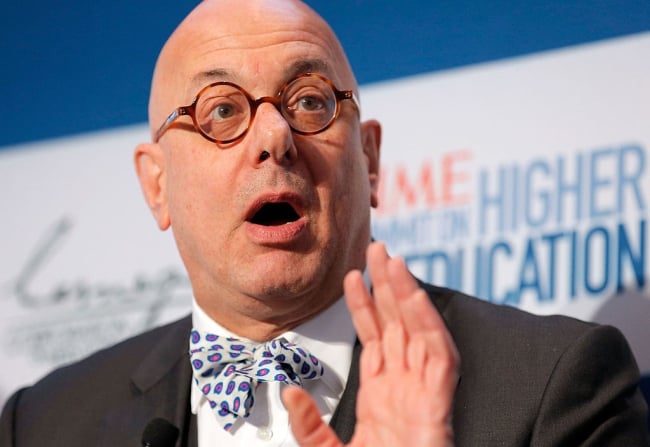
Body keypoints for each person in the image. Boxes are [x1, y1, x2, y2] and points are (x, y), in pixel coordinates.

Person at [1, 0, 648, 445]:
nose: (276, 136)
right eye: (222, 111)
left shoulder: (553, 384)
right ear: (157, 183)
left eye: (309, 101)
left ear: (368, 156)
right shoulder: (43, 424)